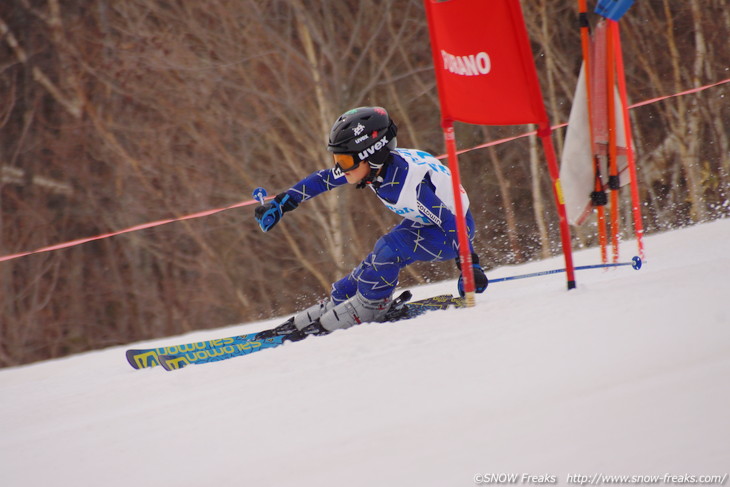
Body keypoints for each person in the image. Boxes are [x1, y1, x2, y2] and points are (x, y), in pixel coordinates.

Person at [254, 106, 488, 340]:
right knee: (364, 271)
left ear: (373, 155)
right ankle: (342, 301)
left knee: (389, 248)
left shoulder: (412, 185)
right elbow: (323, 179)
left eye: (344, 160)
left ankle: (372, 307)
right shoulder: (376, 169)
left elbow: (451, 224)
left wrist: (470, 267)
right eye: (337, 159)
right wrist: (281, 203)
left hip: (452, 233)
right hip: (425, 223)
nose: (339, 168)